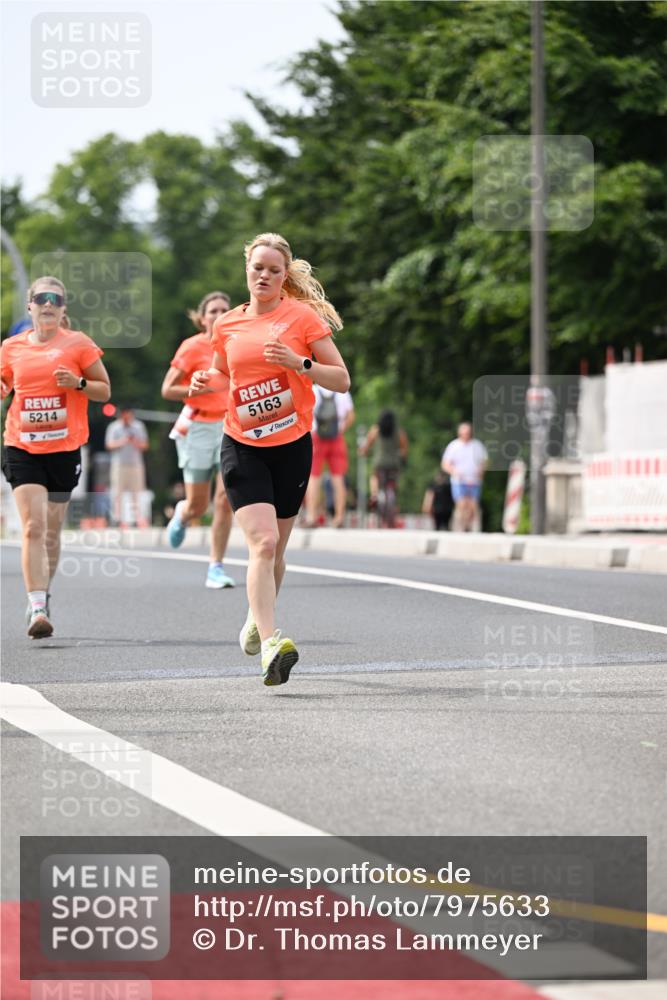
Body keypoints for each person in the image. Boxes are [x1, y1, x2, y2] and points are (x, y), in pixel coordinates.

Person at [190, 232, 350, 686]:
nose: (264, 275)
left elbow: (341, 379)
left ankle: (255, 619)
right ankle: (271, 643)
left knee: (276, 550)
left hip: (291, 446)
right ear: (247, 269)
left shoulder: (300, 319)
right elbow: (225, 375)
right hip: (242, 444)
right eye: (258, 267)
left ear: (285, 276)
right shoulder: (228, 326)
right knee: (261, 544)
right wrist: (208, 381)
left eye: (274, 270)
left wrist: (299, 364)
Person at [0, 276, 111, 638]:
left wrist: (77, 384)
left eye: (55, 299)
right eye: (40, 299)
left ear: (63, 309)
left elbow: (103, 390)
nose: (47, 304)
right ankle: (37, 608)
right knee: (32, 526)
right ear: (30, 306)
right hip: (22, 446)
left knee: (51, 531)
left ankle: (43, 592)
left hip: (64, 451)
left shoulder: (78, 344)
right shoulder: (11, 347)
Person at [160, 291, 235, 589]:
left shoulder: (235, 344)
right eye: (213, 311)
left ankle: (215, 567)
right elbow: (168, 389)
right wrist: (198, 390)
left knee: (224, 501)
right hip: (199, 428)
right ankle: (183, 513)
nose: (219, 315)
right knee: (198, 506)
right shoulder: (191, 348)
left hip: (231, 426)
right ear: (202, 318)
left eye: (225, 310)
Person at [304, 386, 355, 528]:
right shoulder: (342, 392)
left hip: (317, 438)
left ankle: (311, 516)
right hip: (336, 438)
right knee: (338, 478)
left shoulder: (313, 389)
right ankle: (339, 517)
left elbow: (305, 412)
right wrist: (339, 430)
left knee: (314, 477)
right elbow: (351, 416)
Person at [359, 409, 409, 521]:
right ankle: (393, 504)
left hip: (379, 463)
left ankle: (374, 494)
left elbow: (367, 446)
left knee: (374, 477)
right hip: (394, 464)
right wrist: (403, 458)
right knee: (393, 485)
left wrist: (364, 452)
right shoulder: (399, 432)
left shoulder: (375, 430)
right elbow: (404, 449)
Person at [105, 405, 149, 527]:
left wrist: (134, 442)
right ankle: (118, 519)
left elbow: (145, 445)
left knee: (138, 492)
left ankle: (138, 518)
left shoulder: (138, 426)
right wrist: (122, 441)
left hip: (135, 464)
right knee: (117, 492)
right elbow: (109, 445)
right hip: (119, 464)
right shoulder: (114, 427)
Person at [441, 421, 488, 531]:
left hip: (474, 480)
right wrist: (454, 472)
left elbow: (484, 462)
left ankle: (474, 529)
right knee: (461, 504)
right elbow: (445, 464)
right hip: (459, 481)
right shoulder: (454, 446)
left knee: (473, 505)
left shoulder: (477, 446)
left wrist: (481, 471)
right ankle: (459, 528)